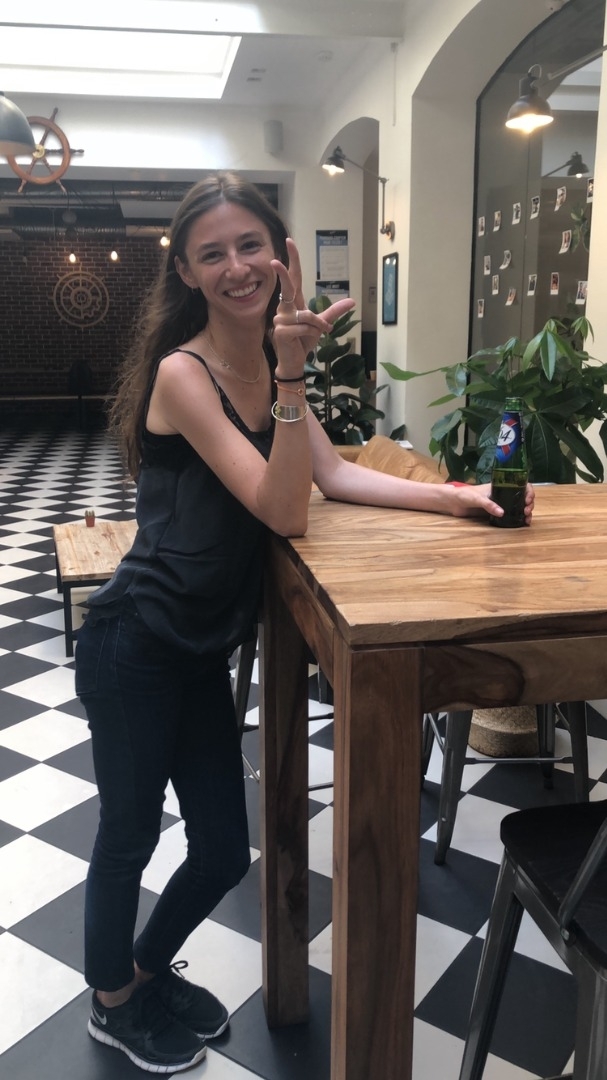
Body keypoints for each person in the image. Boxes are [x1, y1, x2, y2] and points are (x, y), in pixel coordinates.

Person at [75, 172, 534, 1074]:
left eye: (250, 244)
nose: (237, 267)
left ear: (280, 254)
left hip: (197, 653)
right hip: (135, 645)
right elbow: (283, 508)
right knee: (128, 837)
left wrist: (453, 495)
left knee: (220, 850)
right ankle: (111, 1002)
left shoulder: (262, 364)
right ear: (187, 272)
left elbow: (333, 473)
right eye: (213, 253)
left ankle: (142, 970)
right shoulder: (184, 373)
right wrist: (289, 371)